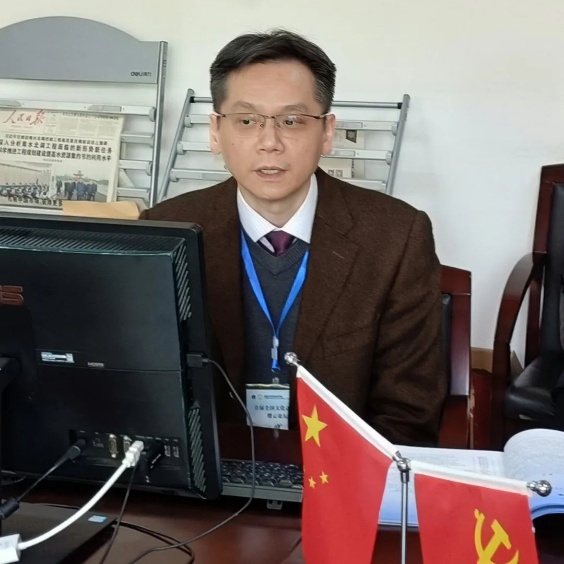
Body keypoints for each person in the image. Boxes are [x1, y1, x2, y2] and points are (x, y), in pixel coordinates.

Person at [141, 30, 446, 446]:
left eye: (291, 121)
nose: (270, 143)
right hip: (212, 467)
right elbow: (150, 386)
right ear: (215, 131)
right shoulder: (165, 229)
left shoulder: (396, 236)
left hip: (341, 470)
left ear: (327, 132)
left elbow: (408, 413)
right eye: (246, 121)